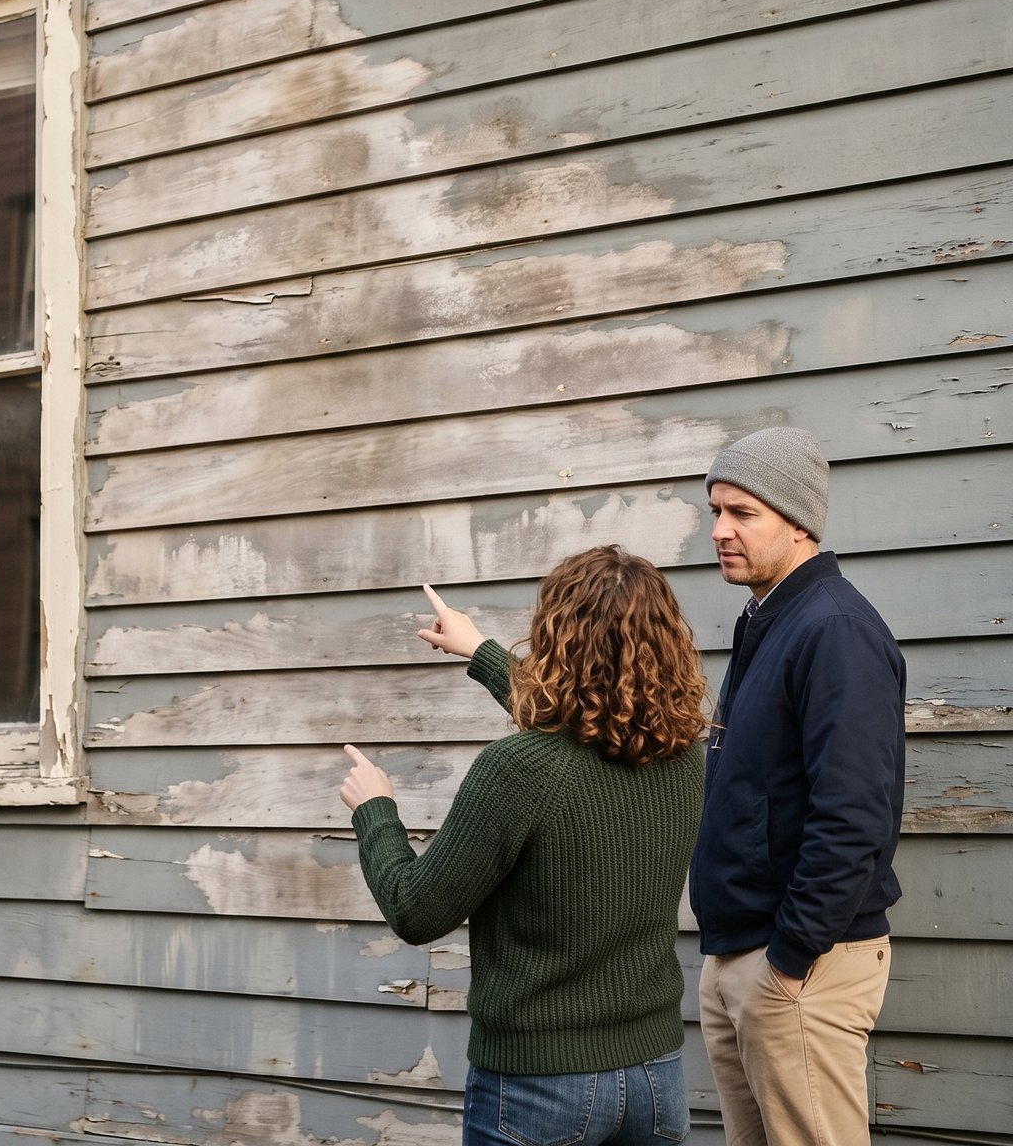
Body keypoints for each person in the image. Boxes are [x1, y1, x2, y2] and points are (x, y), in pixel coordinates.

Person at [340, 547, 708, 1146]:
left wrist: (374, 810)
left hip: (540, 1086)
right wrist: (481, 651)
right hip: (654, 1079)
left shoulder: (516, 771)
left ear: (555, 636)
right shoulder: (685, 757)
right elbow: (586, 735)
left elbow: (416, 910)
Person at [692, 426, 905, 1146]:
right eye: (716, 511)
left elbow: (853, 815)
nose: (720, 531)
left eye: (743, 514)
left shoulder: (834, 629)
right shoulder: (767, 620)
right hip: (740, 956)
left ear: (800, 523)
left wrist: (788, 962)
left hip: (800, 966)